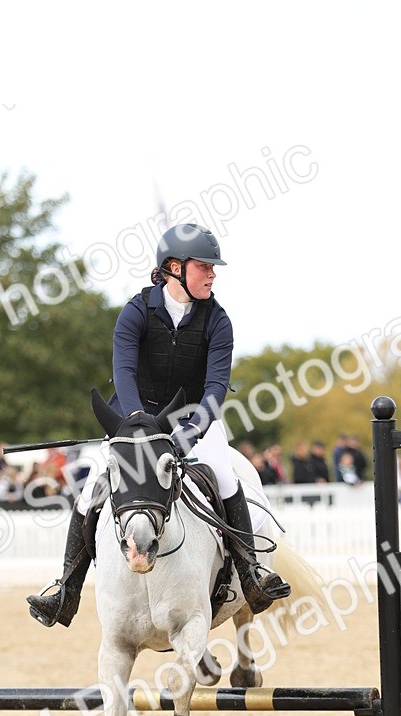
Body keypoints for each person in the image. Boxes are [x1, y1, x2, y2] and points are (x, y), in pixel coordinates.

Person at [27, 223, 291, 627]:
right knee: (92, 490)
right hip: (134, 418)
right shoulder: (136, 311)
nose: (213, 274)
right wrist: (138, 427)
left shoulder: (218, 321)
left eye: (212, 267)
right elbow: (124, 372)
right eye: (204, 266)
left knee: (224, 475)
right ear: (174, 267)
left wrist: (188, 433)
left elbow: (216, 387)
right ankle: (66, 590)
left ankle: (252, 573)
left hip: (192, 420)